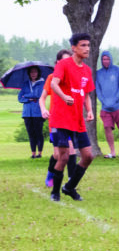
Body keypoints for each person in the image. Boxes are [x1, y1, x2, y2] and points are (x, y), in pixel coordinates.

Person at [48, 33, 95, 202]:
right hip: (60, 120)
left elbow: (87, 94)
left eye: (88, 45)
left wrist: (89, 110)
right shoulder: (63, 64)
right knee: (64, 156)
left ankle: (69, 187)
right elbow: (54, 83)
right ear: (74, 48)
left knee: (88, 156)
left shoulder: (87, 70)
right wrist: (64, 96)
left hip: (78, 121)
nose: (87, 49)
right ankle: (55, 192)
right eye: (83, 45)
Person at [40, 49, 75, 188]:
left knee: (71, 150)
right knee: (58, 155)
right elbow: (42, 98)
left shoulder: (73, 77)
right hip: (56, 120)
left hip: (70, 120)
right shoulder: (51, 78)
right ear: (58, 62)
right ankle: (50, 174)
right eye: (64, 60)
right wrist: (43, 109)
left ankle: (71, 182)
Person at [96, 50, 119, 159]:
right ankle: (112, 152)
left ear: (111, 59)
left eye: (107, 59)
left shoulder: (117, 70)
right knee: (107, 127)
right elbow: (98, 90)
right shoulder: (98, 73)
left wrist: (117, 98)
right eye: (104, 59)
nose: (106, 61)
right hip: (105, 107)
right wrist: (103, 100)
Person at [18, 66, 46, 158]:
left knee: (38, 133)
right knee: (31, 134)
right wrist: (29, 99)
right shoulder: (26, 84)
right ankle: (33, 153)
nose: (33, 74)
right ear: (29, 74)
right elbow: (19, 98)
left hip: (38, 112)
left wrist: (26, 96)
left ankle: (40, 153)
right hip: (27, 113)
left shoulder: (42, 83)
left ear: (38, 73)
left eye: (35, 72)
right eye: (31, 72)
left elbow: (38, 95)